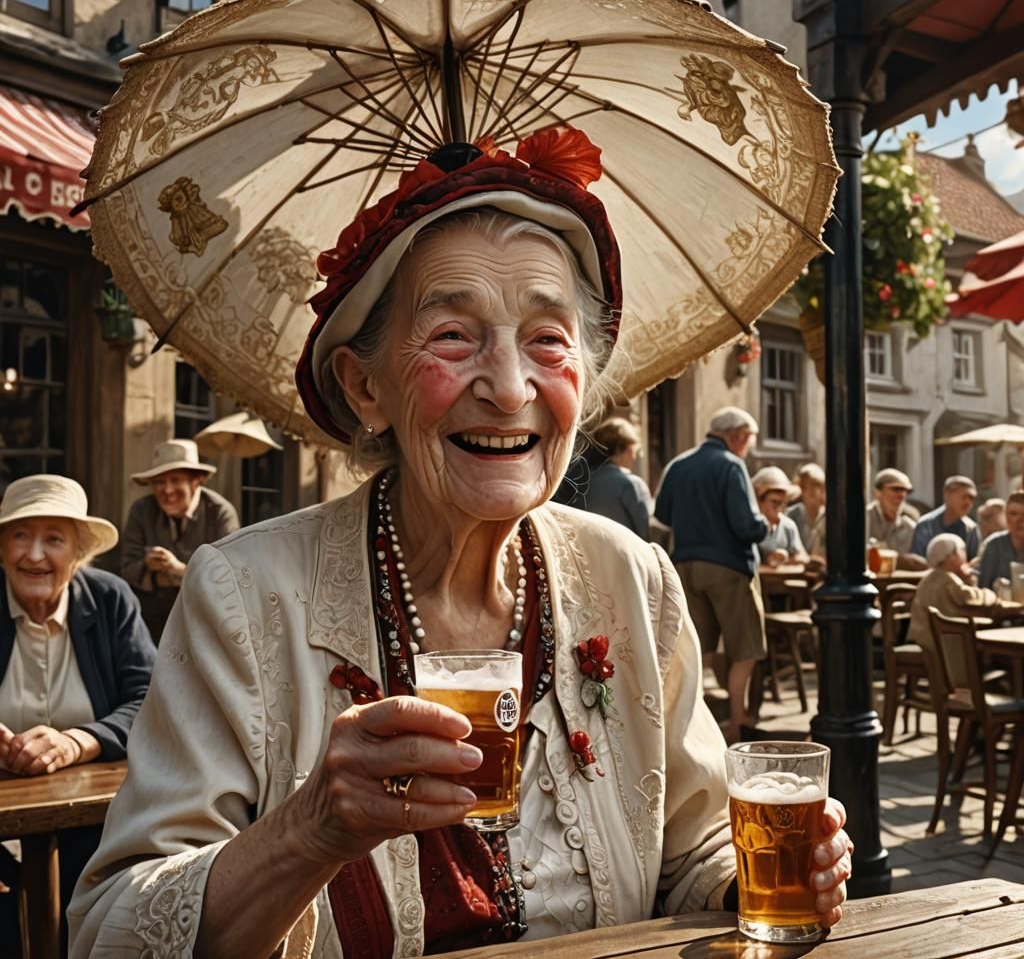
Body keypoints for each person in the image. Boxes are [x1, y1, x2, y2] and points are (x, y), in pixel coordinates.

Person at [70, 131, 851, 957]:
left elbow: (694, 848)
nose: (510, 389)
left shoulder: (631, 577)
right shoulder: (244, 592)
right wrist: (307, 832)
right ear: (364, 386)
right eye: (452, 335)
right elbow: (108, 931)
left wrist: (762, 875)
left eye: (547, 339)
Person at [0, 475, 155, 954]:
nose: (34, 555)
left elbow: (151, 698)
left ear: (79, 552)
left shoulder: (110, 599)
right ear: (1, 547)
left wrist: (79, 741)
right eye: (20, 535)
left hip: (97, 826)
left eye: (54, 539)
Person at [655, 407, 769, 743]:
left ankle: (692, 729)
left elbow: (662, 514)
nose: (747, 447)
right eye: (748, 439)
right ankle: (737, 724)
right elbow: (746, 525)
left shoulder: (678, 464)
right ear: (737, 435)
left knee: (697, 649)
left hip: (685, 566)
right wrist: (765, 525)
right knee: (747, 650)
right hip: (728, 567)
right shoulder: (731, 465)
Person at [120, 439, 239, 643]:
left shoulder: (221, 514)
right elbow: (126, 569)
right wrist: (147, 564)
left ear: (196, 481)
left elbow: (228, 579)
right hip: (149, 623)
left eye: (175, 480)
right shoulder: (141, 510)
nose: (167, 490)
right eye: (159, 482)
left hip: (204, 621)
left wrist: (178, 569)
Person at [909, 534, 999, 680]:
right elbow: (971, 598)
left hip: (927, 640)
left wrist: (967, 579)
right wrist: (990, 594)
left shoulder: (929, 578)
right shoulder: (948, 579)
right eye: (962, 551)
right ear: (951, 557)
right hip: (943, 645)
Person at [573, 417, 651, 538]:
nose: (634, 457)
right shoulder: (632, 484)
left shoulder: (581, 483)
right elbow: (645, 535)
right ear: (629, 448)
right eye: (635, 451)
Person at [910, 476, 980, 561]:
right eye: (964, 497)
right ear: (948, 495)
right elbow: (917, 560)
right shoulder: (926, 525)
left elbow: (974, 560)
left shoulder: (971, 528)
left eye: (971, 498)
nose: (968, 502)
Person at [753, 466, 809, 566]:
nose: (779, 509)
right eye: (774, 503)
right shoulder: (748, 526)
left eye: (783, 504)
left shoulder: (788, 526)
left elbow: (803, 557)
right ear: (759, 501)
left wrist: (786, 558)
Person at [866, 468, 919, 565]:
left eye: (905, 491)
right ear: (878, 493)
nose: (901, 495)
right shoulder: (865, 519)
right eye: (896, 489)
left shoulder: (909, 526)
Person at [977, 491, 1024, 590]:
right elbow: (984, 588)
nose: (1021, 520)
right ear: (1006, 516)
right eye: (1014, 514)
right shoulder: (994, 545)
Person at [787, 462, 826, 557]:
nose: (811, 490)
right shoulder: (792, 514)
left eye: (816, 485)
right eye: (805, 486)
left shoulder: (828, 517)